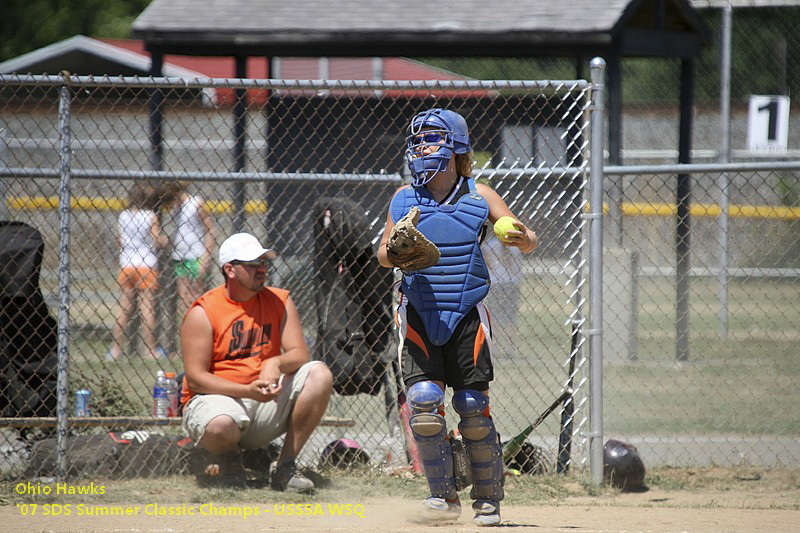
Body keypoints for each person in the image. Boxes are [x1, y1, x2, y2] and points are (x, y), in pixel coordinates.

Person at [377, 108, 537, 526]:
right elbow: (381, 255)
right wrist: (397, 249)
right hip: (418, 313)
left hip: (467, 314)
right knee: (425, 403)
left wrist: (522, 236)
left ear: (456, 147)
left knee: (472, 404)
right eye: (417, 140)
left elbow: (526, 238)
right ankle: (442, 498)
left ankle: (487, 497)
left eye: (431, 138)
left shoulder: (478, 194)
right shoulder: (404, 197)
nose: (421, 148)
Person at [179, 232, 333, 493]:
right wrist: (246, 391)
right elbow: (196, 379)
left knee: (319, 374)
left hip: (264, 402)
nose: (262, 270)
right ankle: (229, 460)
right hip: (217, 402)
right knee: (221, 426)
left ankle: (285, 466)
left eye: (264, 263)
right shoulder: (203, 311)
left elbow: (299, 354)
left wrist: (275, 363)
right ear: (229, 269)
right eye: (253, 265)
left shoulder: (279, 300)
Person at [108, 182, 169, 361]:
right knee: (147, 308)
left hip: (127, 263)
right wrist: (167, 241)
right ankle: (150, 349)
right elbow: (157, 240)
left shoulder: (124, 215)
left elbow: (119, 240)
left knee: (124, 308)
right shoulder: (150, 216)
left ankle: (116, 349)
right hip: (146, 264)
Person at [162, 181, 216, 316]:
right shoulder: (176, 208)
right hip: (179, 256)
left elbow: (211, 230)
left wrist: (206, 257)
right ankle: (187, 328)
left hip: (196, 255)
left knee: (197, 296)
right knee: (184, 298)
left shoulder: (195, 204)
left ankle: (200, 328)